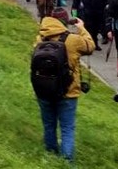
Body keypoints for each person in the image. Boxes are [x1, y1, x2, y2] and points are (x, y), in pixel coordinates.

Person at [33, 14, 95, 161]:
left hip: (44, 89)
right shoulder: (72, 40)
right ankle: (66, 163)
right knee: (67, 128)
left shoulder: (39, 39)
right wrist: (82, 28)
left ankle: (50, 156)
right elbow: (90, 46)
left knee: (49, 125)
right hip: (68, 91)